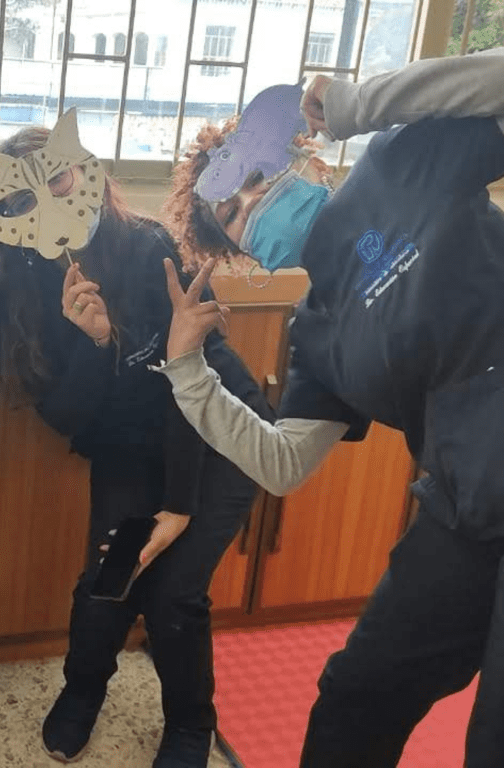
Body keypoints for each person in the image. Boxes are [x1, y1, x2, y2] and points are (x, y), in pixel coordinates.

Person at [157, 49, 504, 768]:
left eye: (253, 179)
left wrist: (361, 103)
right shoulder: (316, 334)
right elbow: (281, 465)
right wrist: (188, 371)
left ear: (298, 158)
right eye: (231, 214)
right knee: (355, 694)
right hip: (464, 507)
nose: (251, 205)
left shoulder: (395, 162)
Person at [0, 116, 273, 767]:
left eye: (59, 176)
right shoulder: (24, 288)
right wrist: (94, 342)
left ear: (88, 173)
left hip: (218, 438)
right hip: (130, 450)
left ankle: (190, 724)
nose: (46, 199)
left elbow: (191, 385)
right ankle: (83, 692)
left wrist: (180, 505)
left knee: (174, 592)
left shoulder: (144, 246)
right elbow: (68, 416)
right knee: (112, 575)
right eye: (23, 197)